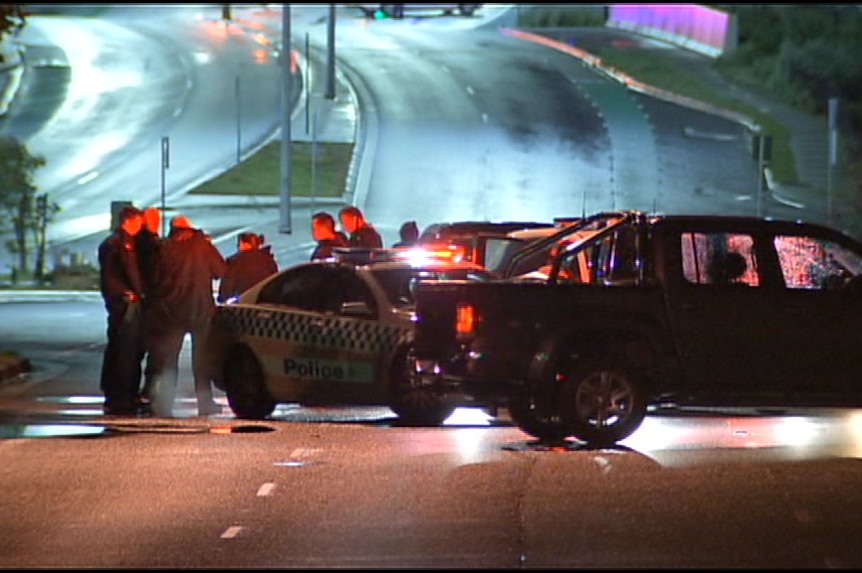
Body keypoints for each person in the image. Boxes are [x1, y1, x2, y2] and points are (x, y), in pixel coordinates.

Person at [147, 215, 227, 417]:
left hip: (172, 312)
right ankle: (204, 402)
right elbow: (220, 271)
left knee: (169, 359)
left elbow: (154, 278)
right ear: (189, 228)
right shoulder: (202, 246)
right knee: (201, 359)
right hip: (200, 310)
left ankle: (165, 403)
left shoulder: (164, 248)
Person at [97, 205, 147, 416]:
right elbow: (129, 271)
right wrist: (140, 292)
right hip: (125, 303)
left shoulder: (110, 242)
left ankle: (114, 393)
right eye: (139, 223)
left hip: (117, 302)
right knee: (127, 351)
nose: (140, 227)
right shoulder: (122, 244)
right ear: (130, 220)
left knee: (118, 348)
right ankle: (124, 395)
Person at [136, 206, 162, 413]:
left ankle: (140, 391)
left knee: (139, 351)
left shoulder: (138, 241)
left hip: (145, 302)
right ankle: (148, 391)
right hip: (152, 304)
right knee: (154, 351)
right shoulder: (151, 244)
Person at [217, 232, 278, 303]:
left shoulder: (234, 261)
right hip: (264, 300)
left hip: (244, 301)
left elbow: (228, 285)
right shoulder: (268, 260)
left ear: (242, 244)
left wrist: (223, 298)